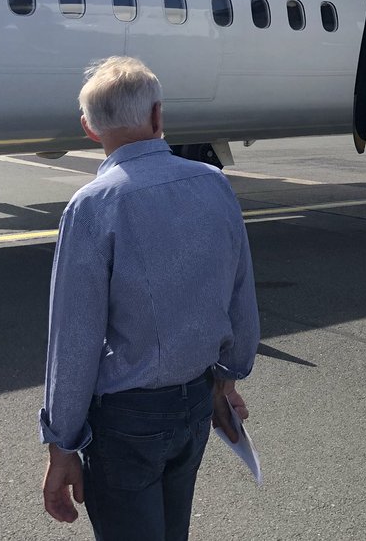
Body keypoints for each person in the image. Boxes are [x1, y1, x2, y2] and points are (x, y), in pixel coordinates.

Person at [40, 56, 260, 541]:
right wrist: (226, 379)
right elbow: (241, 296)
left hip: (128, 414)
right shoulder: (213, 183)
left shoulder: (93, 205)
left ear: (89, 129)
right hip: (197, 402)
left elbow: (74, 337)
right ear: (158, 116)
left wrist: (62, 443)